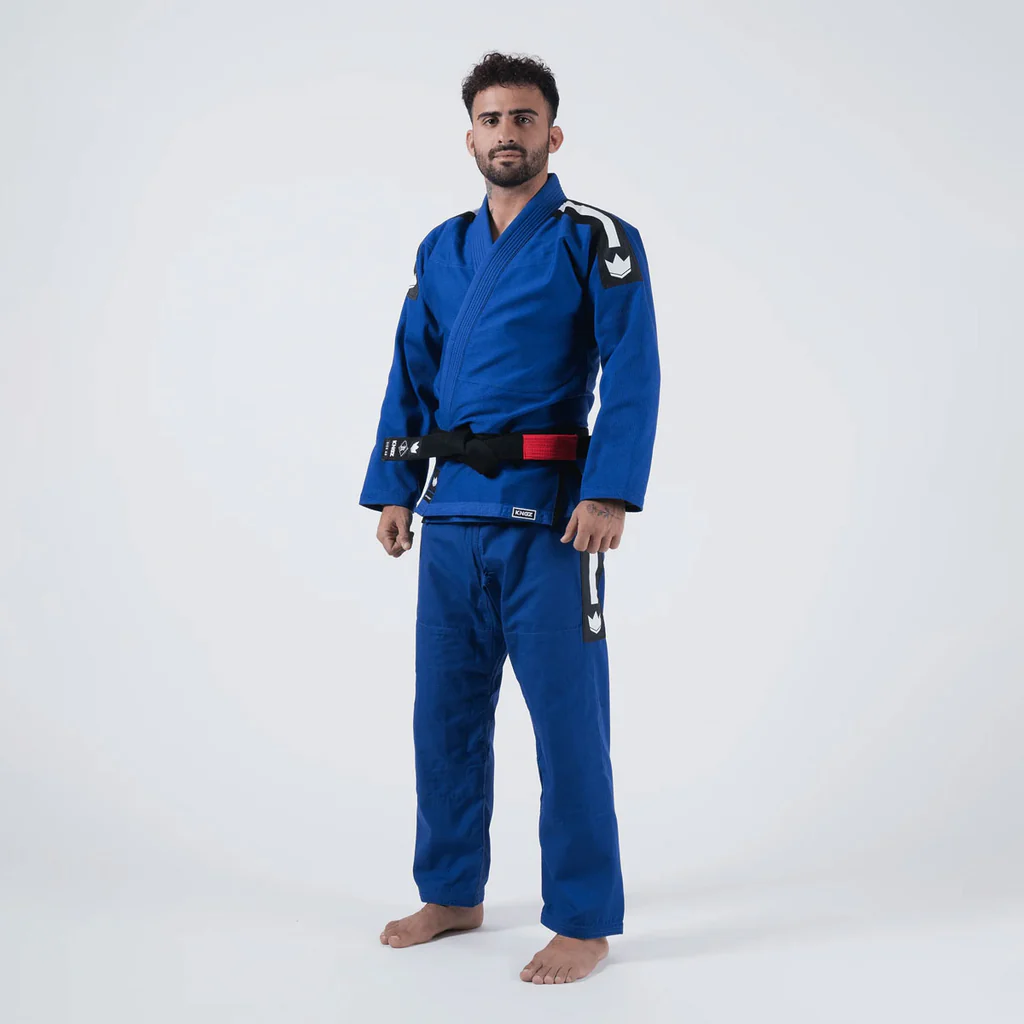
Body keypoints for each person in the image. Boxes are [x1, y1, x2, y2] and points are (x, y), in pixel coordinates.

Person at [358, 51, 660, 984]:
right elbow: (411, 369)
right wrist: (396, 485)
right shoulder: (441, 248)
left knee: (569, 725)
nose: (507, 133)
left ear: (552, 134)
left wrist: (608, 492)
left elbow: (633, 367)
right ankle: (452, 889)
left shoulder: (595, 238)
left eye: (524, 118)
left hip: (551, 519)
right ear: (470, 137)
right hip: (451, 517)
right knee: (443, 716)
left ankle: (583, 917)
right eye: (491, 119)